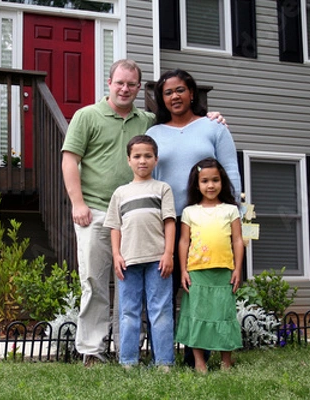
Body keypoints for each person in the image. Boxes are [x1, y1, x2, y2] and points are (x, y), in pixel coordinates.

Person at [61, 60, 225, 366]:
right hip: (96, 210)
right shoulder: (86, 116)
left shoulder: (147, 121)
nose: (125, 89)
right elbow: (70, 160)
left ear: (139, 88)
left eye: (131, 84)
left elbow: (181, 127)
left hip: (142, 217)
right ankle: (92, 351)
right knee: (95, 282)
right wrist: (77, 203)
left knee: (130, 287)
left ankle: (129, 352)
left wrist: (210, 118)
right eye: (119, 83)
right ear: (109, 83)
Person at [145, 69, 241, 366]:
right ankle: (162, 357)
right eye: (168, 92)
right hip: (167, 226)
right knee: (164, 294)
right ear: (161, 99)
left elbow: (230, 172)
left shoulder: (214, 128)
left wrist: (234, 214)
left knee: (202, 293)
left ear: (191, 93)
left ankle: (196, 356)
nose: (175, 96)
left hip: (208, 225)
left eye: (180, 90)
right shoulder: (154, 134)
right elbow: (150, 177)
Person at [103, 135, 176, 369]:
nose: (142, 161)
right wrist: (116, 255)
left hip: (158, 261)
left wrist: (168, 254)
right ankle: (128, 361)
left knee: (161, 311)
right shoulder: (121, 193)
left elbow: (170, 222)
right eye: (137, 156)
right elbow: (115, 226)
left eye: (147, 156)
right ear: (128, 160)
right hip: (128, 262)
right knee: (128, 312)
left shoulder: (162, 189)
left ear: (156, 159)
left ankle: (164, 361)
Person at [175, 157, 244, 373]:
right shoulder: (189, 212)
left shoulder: (231, 210)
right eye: (205, 181)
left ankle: (226, 362)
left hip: (224, 271)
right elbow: (184, 241)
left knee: (224, 315)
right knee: (197, 316)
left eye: (215, 180)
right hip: (197, 272)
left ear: (222, 182)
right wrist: (184, 270)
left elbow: (237, 240)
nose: (211, 185)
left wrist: (238, 269)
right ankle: (199, 362)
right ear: (197, 184)